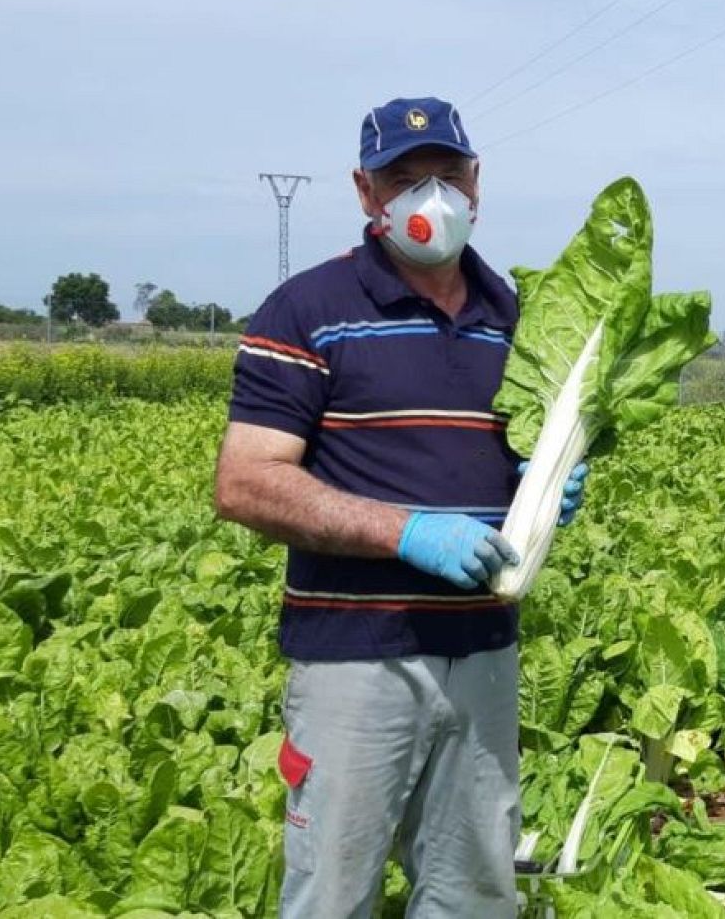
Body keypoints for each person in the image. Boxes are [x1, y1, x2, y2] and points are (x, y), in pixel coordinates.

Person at [213, 96, 586, 918]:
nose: (431, 196)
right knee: (333, 892)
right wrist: (405, 531)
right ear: (364, 190)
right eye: (403, 178)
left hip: (484, 651)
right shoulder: (307, 310)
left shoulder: (517, 320)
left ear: (477, 181)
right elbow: (245, 481)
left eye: (447, 174)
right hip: (356, 657)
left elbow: (531, 448)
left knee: (476, 891)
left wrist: (549, 487)